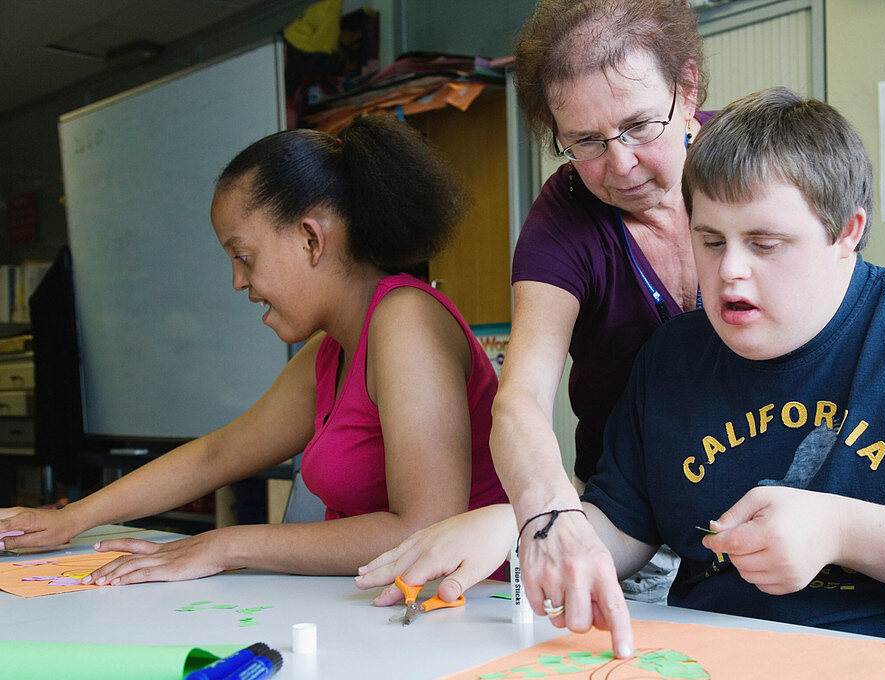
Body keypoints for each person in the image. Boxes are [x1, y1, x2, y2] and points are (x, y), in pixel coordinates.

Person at [357, 88, 885, 672]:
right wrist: (524, 528)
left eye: (766, 243)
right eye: (710, 242)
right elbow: (624, 525)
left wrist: (841, 529)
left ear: (848, 232)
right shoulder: (673, 359)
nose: (731, 272)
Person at [0, 115, 507, 584]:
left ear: (311, 238)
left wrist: (225, 545)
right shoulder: (329, 353)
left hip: (468, 616)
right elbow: (215, 456)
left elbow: (426, 530)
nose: (238, 281)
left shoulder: (407, 321)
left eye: (244, 256)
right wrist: (70, 518)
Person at [492, 0, 716, 604]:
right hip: (625, 523)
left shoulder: (750, 161)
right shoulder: (564, 217)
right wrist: (551, 518)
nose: (620, 165)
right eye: (586, 142)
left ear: (687, 88)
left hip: (756, 502)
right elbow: (522, 398)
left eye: (641, 126)